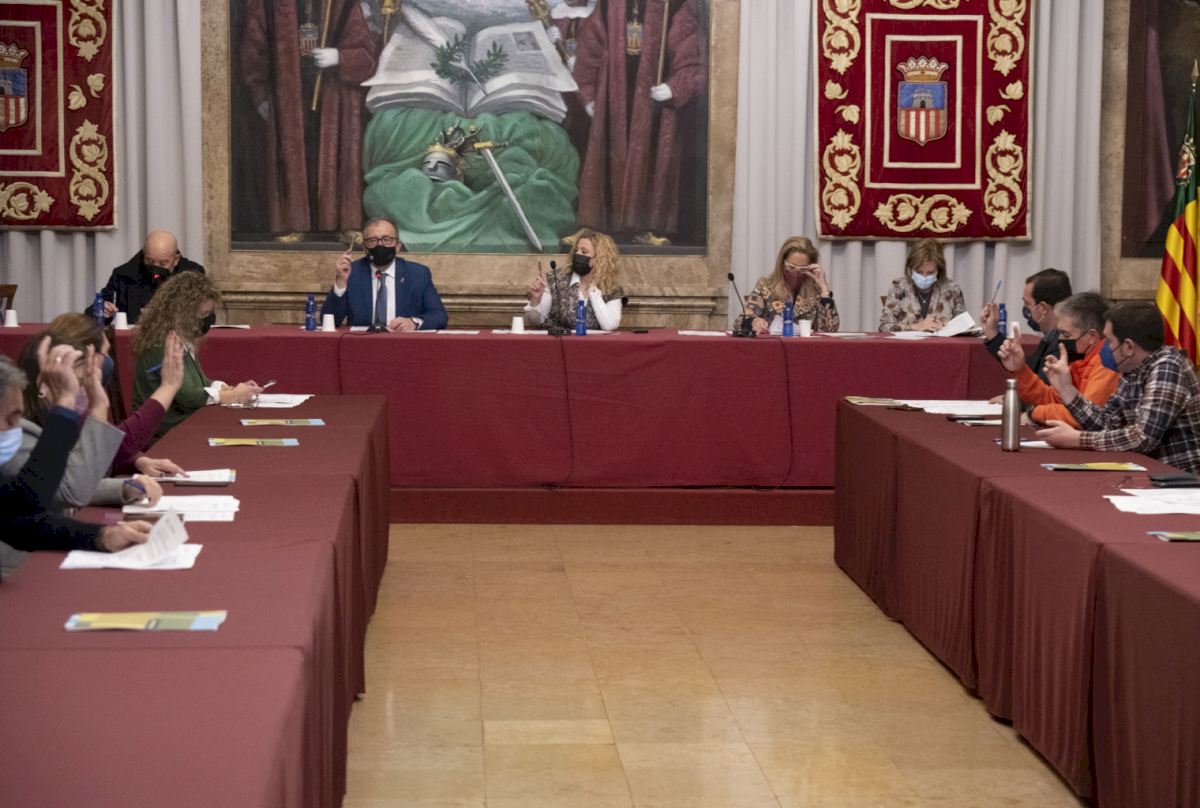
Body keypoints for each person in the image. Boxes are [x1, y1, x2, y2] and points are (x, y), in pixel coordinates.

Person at [0, 345, 151, 577]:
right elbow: (31, 500)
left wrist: (102, 537)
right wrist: (64, 406)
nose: (14, 429)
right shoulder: (27, 434)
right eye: (10, 420)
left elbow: (19, 521)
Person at [237, 0, 380, 235]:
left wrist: (339, 57)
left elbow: (366, 57)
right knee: (291, 161)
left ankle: (340, 224)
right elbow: (253, 49)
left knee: (334, 160)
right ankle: (294, 224)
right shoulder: (269, 5)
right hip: (288, 102)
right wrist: (260, 94)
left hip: (333, 103)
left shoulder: (344, 5)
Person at [573, 0, 708, 237]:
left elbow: (693, 58)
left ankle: (647, 230)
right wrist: (588, 95)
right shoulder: (609, 6)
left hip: (655, 107)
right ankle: (606, 227)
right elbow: (589, 50)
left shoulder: (675, 6)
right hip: (613, 105)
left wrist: (674, 87)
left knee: (651, 165)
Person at [3, 331, 164, 514]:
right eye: (80, 383)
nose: (85, 391)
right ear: (44, 384)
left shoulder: (64, 420)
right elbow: (69, 489)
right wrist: (98, 407)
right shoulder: (19, 433)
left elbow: (62, 484)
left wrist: (123, 488)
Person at [1037, 301, 1200, 474]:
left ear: (1128, 347)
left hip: (1180, 478)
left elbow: (1143, 438)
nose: (1104, 347)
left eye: (1108, 340)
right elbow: (1106, 424)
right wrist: (1067, 390)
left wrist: (1077, 439)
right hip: (1146, 473)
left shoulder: (1168, 367)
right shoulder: (1131, 371)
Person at [45, 313, 187, 477]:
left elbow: (99, 449)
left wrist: (137, 461)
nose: (107, 361)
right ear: (90, 355)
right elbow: (112, 447)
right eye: (105, 354)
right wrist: (168, 387)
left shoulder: (73, 392)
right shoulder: (58, 400)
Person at [132, 272, 263, 437]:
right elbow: (189, 396)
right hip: (164, 432)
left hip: (179, 425)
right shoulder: (163, 342)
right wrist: (233, 395)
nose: (207, 320)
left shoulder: (181, 337)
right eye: (204, 314)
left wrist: (226, 388)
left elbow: (201, 382)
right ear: (184, 312)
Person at [996, 292, 1118, 427]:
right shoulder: (1080, 357)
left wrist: (1034, 413)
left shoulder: (1107, 362)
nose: (1060, 339)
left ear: (1091, 337)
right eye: (1059, 333)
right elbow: (1054, 400)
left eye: (1066, 335)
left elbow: (1084, 416)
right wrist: (1020, 369)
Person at [321, 217, 448, 330]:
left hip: (403, 344)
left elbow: (439, 316)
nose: (379, 245)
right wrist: (341, 282)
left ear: (398, 246)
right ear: (365, 247)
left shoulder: (418, 274)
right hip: (362, 344)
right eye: (372, 240)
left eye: (387, 239)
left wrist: (413, 322)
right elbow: (329, 321)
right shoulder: (352, 272)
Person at [93, 230, 208, 325]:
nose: (155, 268)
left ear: (176, 260)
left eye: (163, 263)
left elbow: (207, 318)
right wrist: (102, 310)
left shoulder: (194, 275)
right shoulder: (123, 275)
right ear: (144, 254)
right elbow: (94, 314)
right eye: (150, 261)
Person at [525, 228, 626, 331]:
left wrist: (593, 292)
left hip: (595, 341)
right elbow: (535, 321)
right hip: (560, 340)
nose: (577, 254)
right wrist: (535, 300)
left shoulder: (611, 288)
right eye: (576, 250)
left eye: (584, 251)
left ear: (599, 259)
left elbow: (609, 325)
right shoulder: (556, 279)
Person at [980, 268, 1071, 380]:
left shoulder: (1061, 344)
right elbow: (1030, 368)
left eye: (1027, 304)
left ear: (1043, 308)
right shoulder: (1051, 337)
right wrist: (993, 335)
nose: (1025, 309)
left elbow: (1039, 385)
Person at [743, 236, 839, 335]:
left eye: (802, 269)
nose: (795, 274)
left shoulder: (817, 291)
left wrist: (824, 289)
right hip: (774, 342)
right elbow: (741, 320)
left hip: (806, 344)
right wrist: (753, 321)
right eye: (791, 267)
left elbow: (830, 330)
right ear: (782, 264)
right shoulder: (765, 286)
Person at [879, 238, 965, 332]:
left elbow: (964, 326)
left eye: (930, 272)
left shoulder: (952, 289)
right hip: (907, 342)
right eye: (919, 272)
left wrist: (950, 326)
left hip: (942, 341)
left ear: (939, 270)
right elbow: (884, 327)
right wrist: (915, 326)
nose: (924, 277)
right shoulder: (898, 287)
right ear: (911, 268)